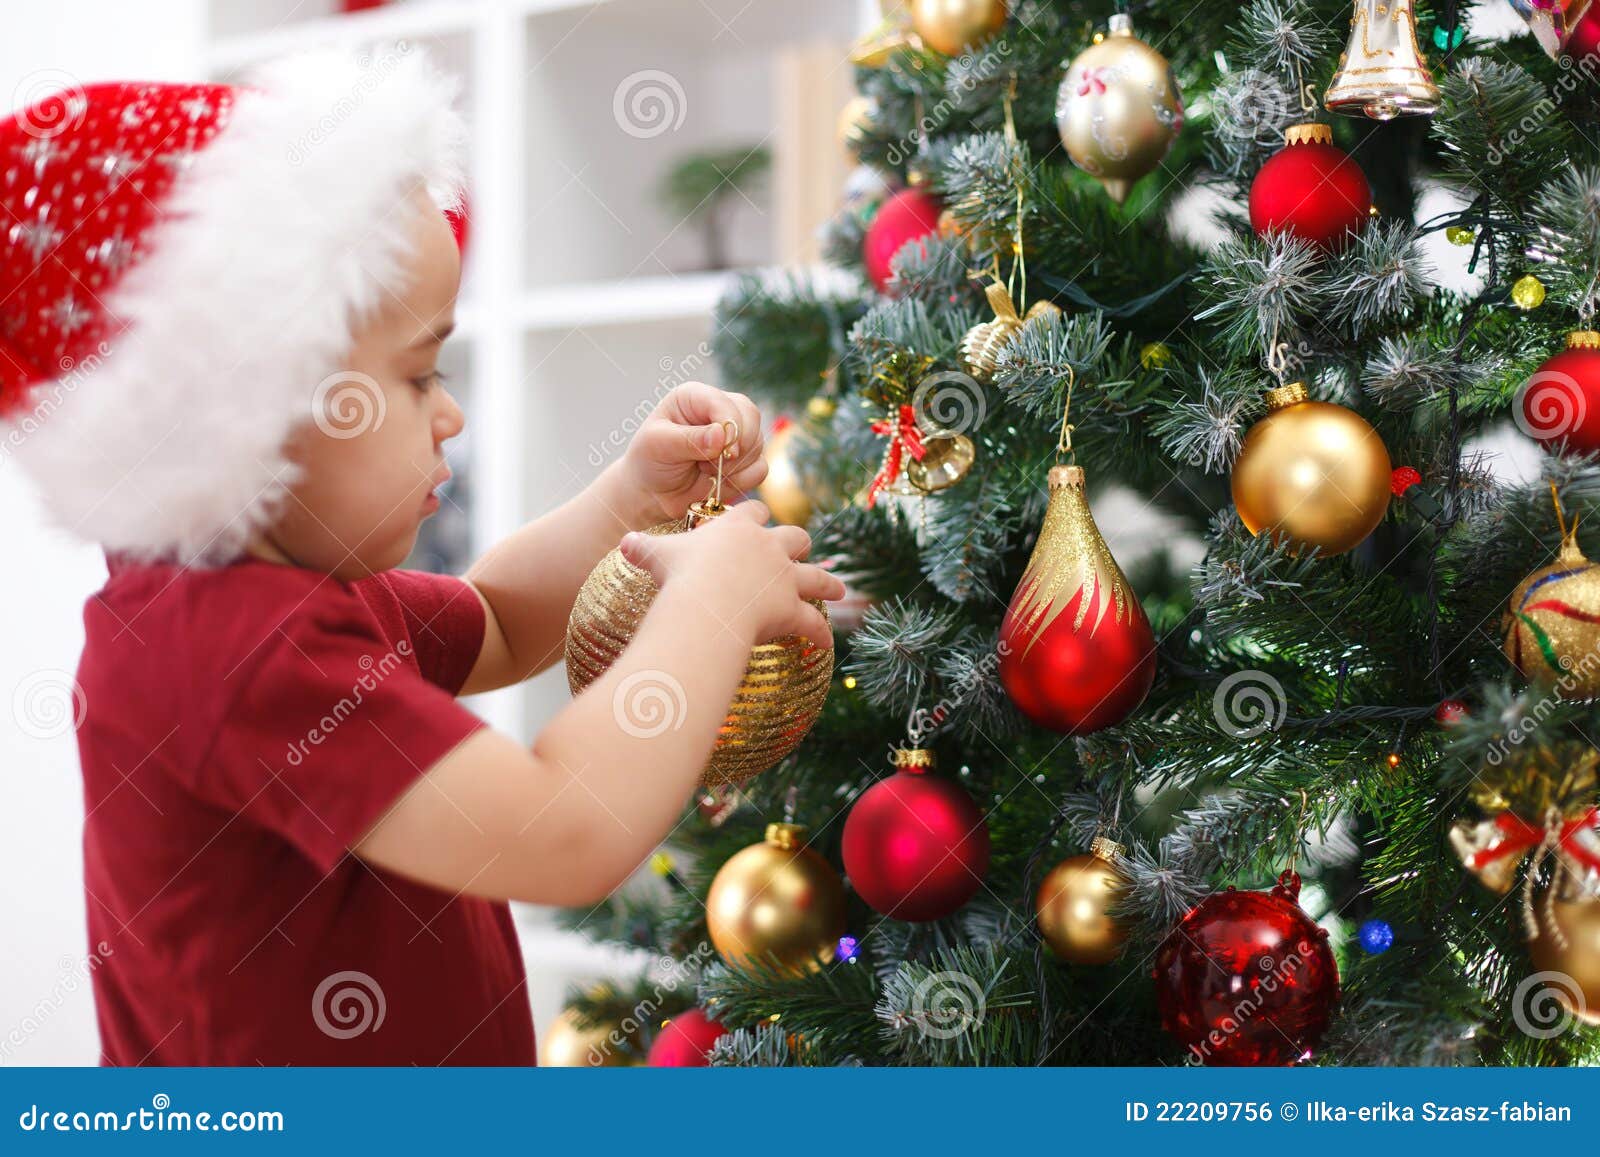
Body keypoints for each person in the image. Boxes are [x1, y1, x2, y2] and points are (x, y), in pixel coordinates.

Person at [0, 50, 842, 1065]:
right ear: (248, 413)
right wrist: (708, 606)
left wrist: (634, 494)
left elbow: (495, 618)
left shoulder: (294, 595)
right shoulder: (228, 644)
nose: (448, 413)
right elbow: (561, 831)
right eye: (414, 375)